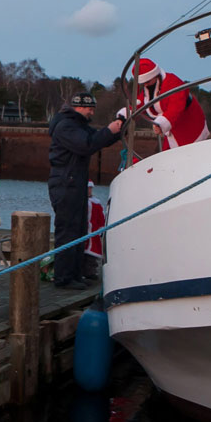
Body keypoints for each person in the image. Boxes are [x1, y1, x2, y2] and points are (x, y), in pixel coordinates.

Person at [48, 92, 122, 290]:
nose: (92, 112)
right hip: (66, 184)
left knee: (79, 229)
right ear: (78, 107)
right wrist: (109, 130)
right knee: (68, 230)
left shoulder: (77, 125)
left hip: (74, 183)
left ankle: (75, 274)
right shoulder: (66, 126)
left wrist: (116, 130)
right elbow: (87, 145)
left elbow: (96, 139)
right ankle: (64, 278)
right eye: (90, 108)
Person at [117, 58, 209, 151]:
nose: (145, 85)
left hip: (189, 126)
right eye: (143, 83)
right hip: (171, 129)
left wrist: (160, 124)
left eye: (147, 82)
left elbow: (176, 107)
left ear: (155, 75)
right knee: (165, 155)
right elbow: (139, 104)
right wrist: (123, 118)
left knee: (188, 154)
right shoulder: (149, 88)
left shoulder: (173, 82)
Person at [83, 181, 106, 281]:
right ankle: (85, 272)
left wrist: (101, 228)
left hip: (93, 232)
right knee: (84, 254)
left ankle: (90, 272)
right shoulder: (83, 202)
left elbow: (100, 218)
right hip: (84, 232)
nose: (89, 190)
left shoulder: (96, 203)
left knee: (91, 256)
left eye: (90, 188)